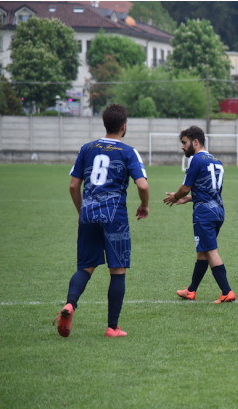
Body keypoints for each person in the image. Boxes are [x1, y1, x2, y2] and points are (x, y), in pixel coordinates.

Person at [54, 103, 150, 338]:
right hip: (114, 217)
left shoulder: (87, 148)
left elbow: (74, 185)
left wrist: (81, 211)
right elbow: (143, 184)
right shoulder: (128, 152)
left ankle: (70, 304)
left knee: (85, 267)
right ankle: (112, 327)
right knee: (117, 270)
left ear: (104, 124)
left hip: (88, 214)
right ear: (124, 127)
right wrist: (144, 205)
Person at [164, 125, 236, 303]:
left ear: (195, 142)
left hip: (204, 213)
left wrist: (176, 196)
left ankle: (227, 291)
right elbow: (210, 190)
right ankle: (191, 291)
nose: (182, 146)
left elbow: (185, 187)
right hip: (218, 211)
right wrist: (189, 199)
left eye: (185, 142)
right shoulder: (216, 161)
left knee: (210, 251)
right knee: (203, 252)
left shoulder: (196, 159)